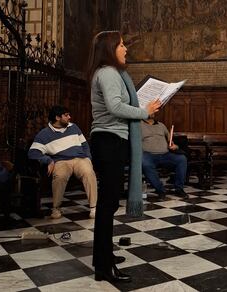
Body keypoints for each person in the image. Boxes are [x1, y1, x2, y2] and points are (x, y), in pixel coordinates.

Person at [87, 30, 161, 284]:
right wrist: (144, 111)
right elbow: (115, 107)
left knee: (109, 203)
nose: (125, 48)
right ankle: (103, 268)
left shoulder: (111, 73)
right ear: (110, 48)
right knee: (108, 205)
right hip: (109, 141)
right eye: (120, 45)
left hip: (111, 140)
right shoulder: (108, 72)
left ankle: (103, 257)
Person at [28, 105, 97, 219]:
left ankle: (93, 208)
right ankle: (56, 208)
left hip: (80, 159)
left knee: (89, 172)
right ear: (57, 117)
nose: (69, 117)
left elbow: (85, 145)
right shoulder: (44, 134)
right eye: (66, 115)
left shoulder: (74, 127)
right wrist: (48, 160)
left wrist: (88, 158)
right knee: (60, 176)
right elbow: (33, 153)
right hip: (60, 160)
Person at [141, 115, 188, 199]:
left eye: (154, 111)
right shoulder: (138, 124)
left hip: (165, 154)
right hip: (148, 154)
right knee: (145, 162)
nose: (153, 113)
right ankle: (160, 190)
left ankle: (179, 188)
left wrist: (174, 146)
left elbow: (170, 141)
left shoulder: (161, 125)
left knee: (181, 159)